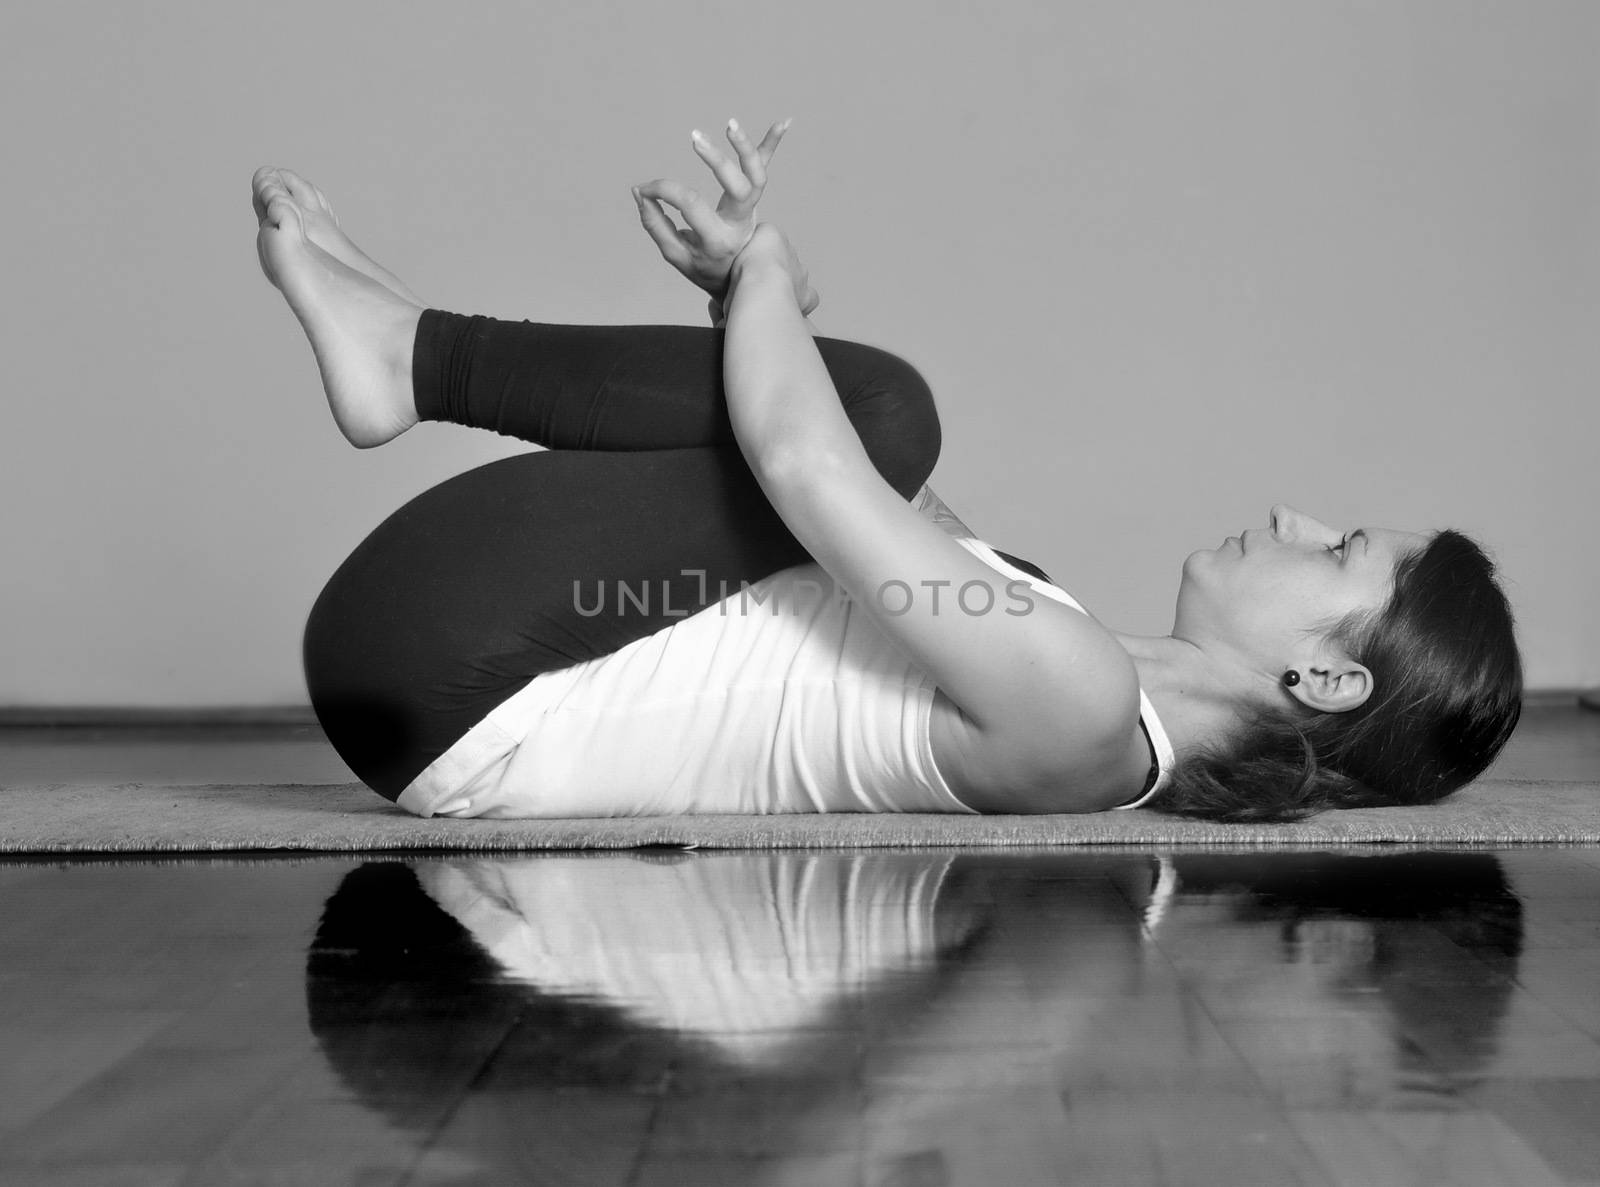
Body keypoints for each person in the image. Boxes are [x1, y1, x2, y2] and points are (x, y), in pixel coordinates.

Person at [250, 117, 1522, 823]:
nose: (1295, 515)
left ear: (1325, 672)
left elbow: (811, 460)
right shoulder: (1059, 642)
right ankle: (408, 355)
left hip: (460, 674)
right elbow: (824, 475)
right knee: (871, 429)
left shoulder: (1077, 703)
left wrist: (768, 275)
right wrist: (751, 302)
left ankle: (416, 356)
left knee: (883, 414)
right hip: (445, 666)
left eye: (1340, 546)